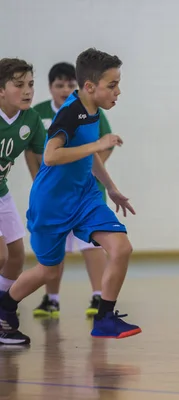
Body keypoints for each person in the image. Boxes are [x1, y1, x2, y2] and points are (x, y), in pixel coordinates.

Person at [0, 48, 141, 345]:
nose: (118, 91)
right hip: (52, 204)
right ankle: (6, 306)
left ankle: (104, 317)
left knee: (121, 248)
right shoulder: (71, 113)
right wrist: (97, 145)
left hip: (86, 197)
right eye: (112, 85)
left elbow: (91, 157)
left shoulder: (94, 111)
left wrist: (112, 188)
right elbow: (50, 156)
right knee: (48, 271)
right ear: (90, 87)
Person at [33, 62, 114, 318]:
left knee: (91, 244)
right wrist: (40, 182)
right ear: (50, 88)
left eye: (70, 84)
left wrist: (87, 168)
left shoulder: (92, 110)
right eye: (60, 85)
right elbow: (36, 152)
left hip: (85, 190)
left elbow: (105, 145)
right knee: (54, 248)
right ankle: (51, 299)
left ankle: (98, 295)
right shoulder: (40, 113)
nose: (65, 89)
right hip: (55, 195)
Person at [0, 58, 46, 314]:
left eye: (30, 84)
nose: (27, 90)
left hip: (1, 192)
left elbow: (47, 157)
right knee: (1, 255)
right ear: (1, 90)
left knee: (16, 256)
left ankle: (3, 312)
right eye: (19, 85)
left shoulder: (31, 119)